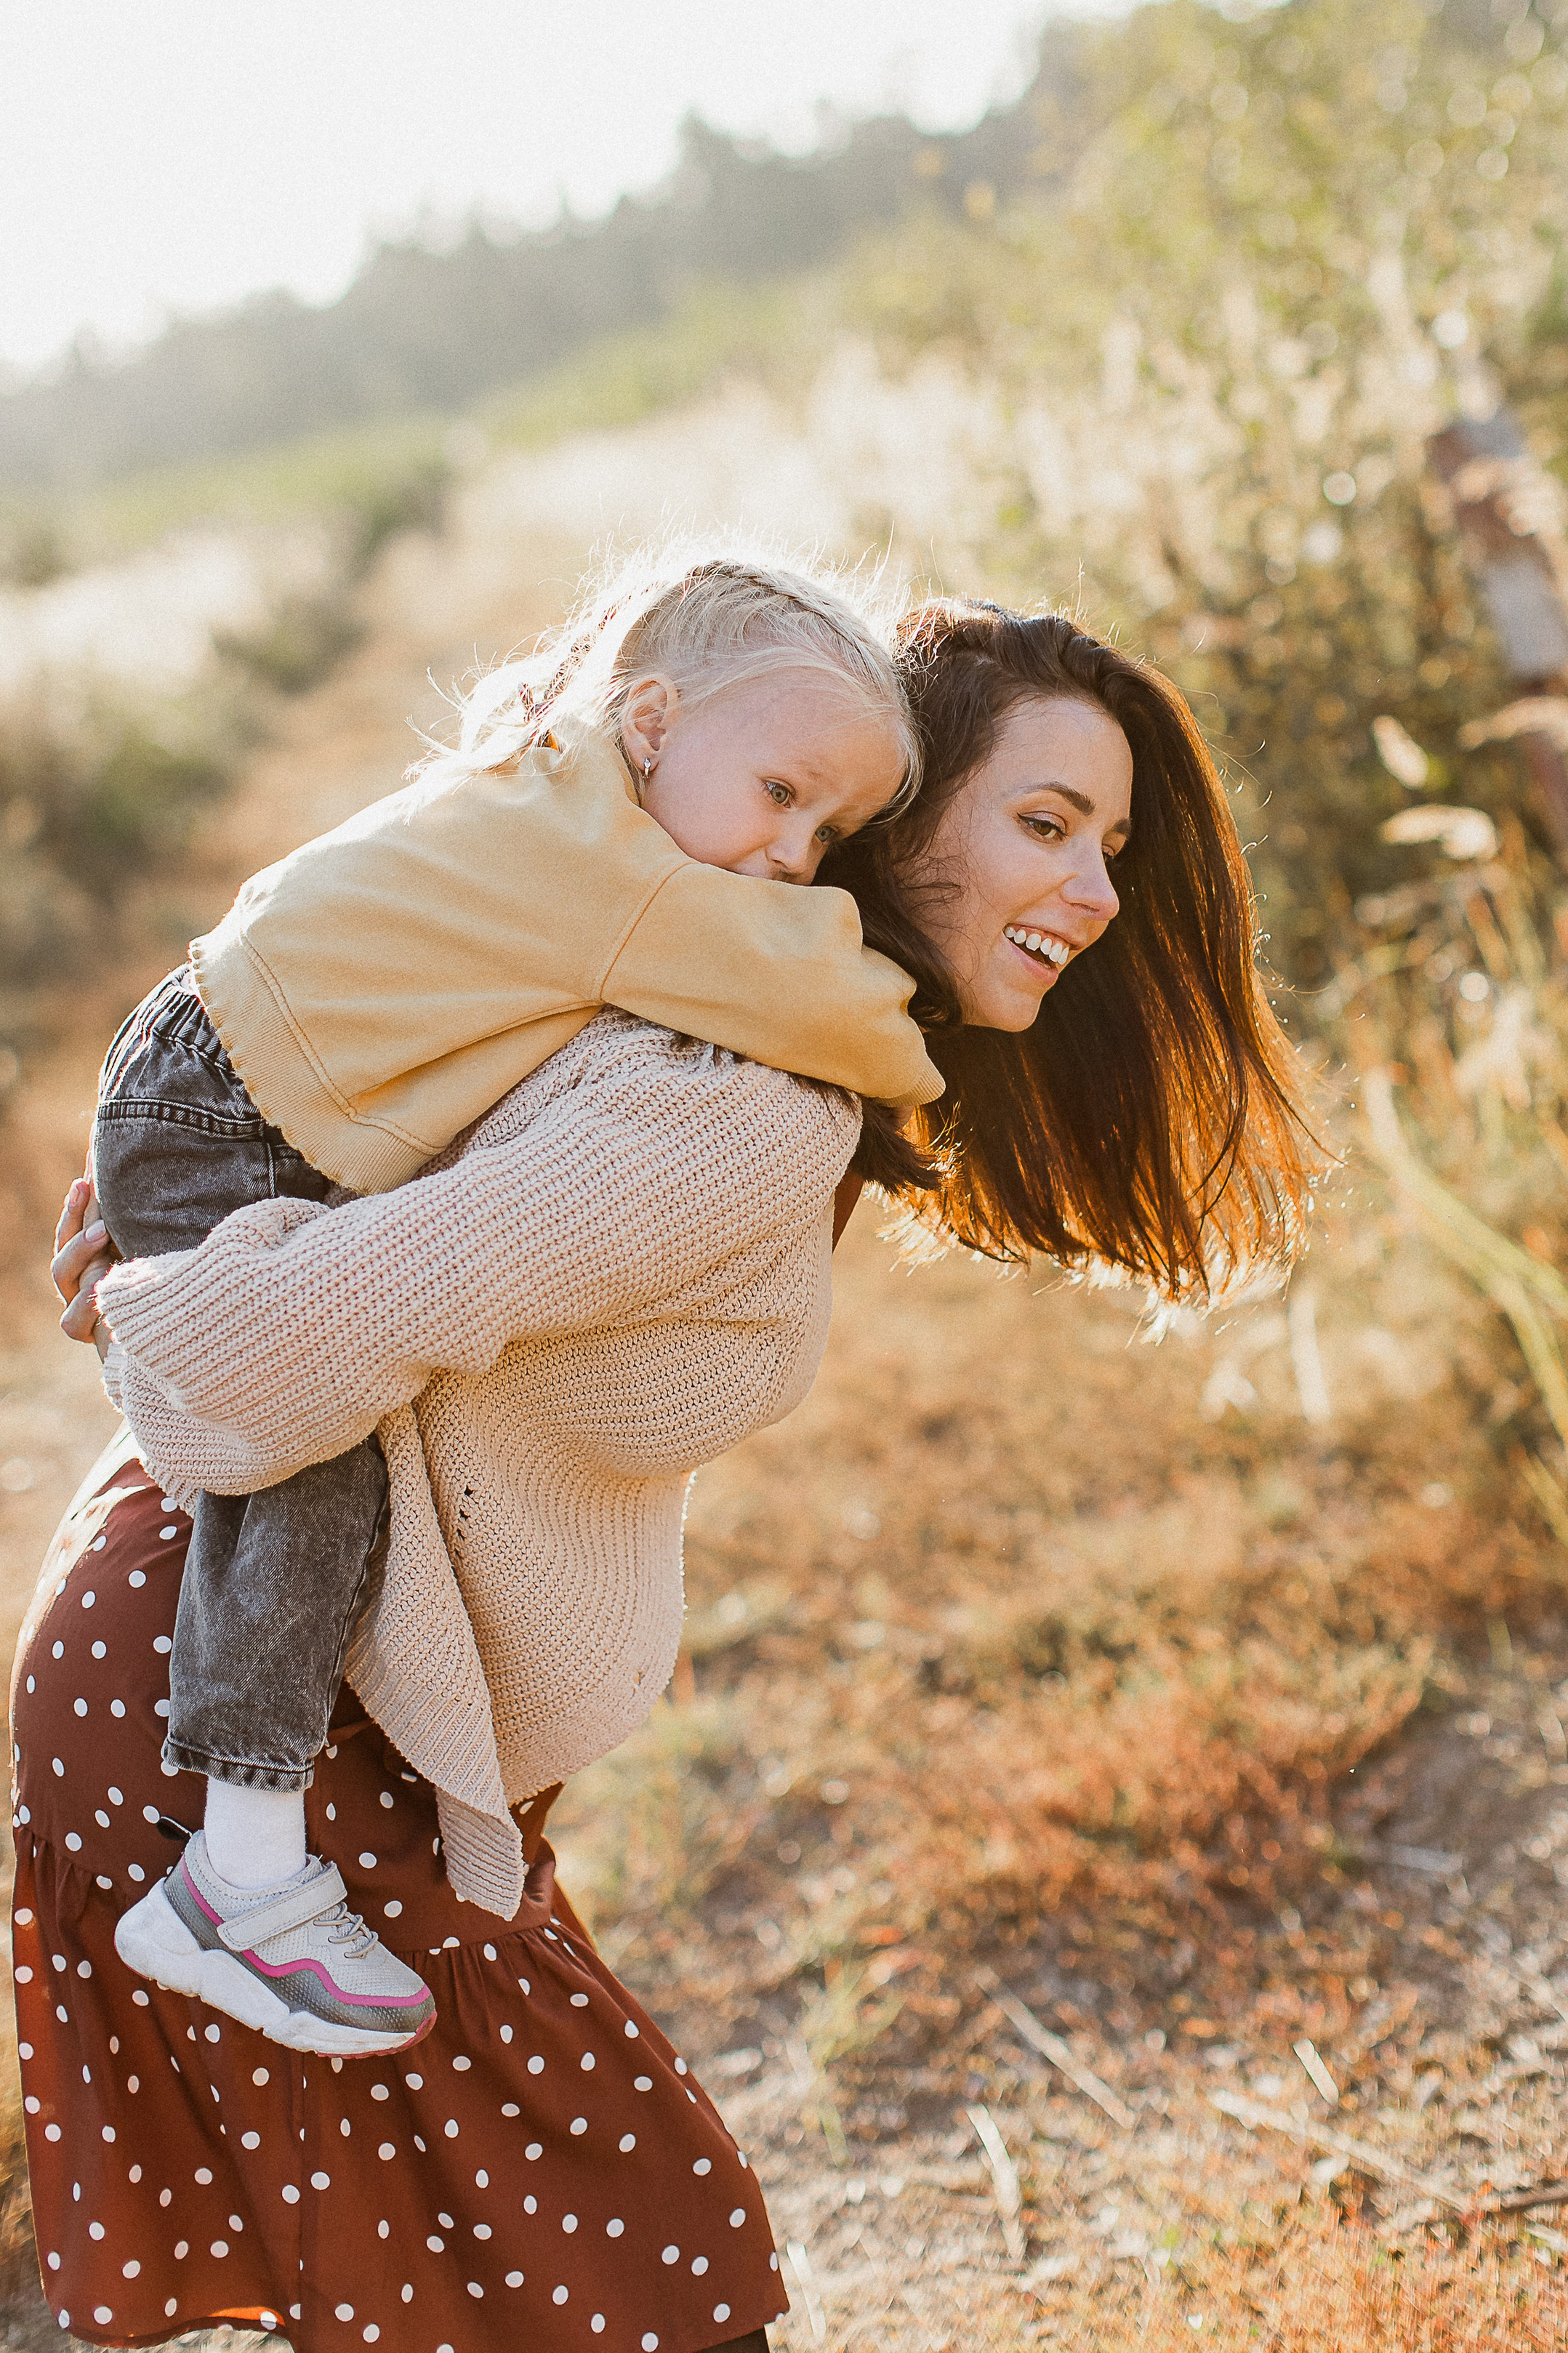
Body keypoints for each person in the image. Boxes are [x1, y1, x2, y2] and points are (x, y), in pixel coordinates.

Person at [26, 598, 1312, 2353]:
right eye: (1041, 825)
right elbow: (293, 1306)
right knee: (636, 2275)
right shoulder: (740, 1094)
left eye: (1107, 846)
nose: (1093, 893)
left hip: (244, 1652)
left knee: (472, 2287)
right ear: (889, 829)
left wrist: (170, 1266)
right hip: (264, 1714)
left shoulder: (674, 1003)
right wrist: (166, 1284)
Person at [66, 552, 940, 2056]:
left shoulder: (559, 789)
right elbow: (820, 999)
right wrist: (935, 1072)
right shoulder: (623, 873)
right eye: (782, 791)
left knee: (315, 1400)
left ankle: (244, 1857)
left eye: (832, 827)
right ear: (651, 721)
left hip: (218, 1067)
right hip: (226, 1105)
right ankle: (239, 1866)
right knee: (306, 1441)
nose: (797, 853)